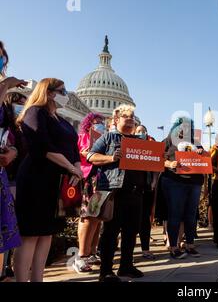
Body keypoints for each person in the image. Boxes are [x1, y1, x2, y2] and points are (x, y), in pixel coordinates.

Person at [14, 78, 83, 282]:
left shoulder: (61, 121)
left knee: (46, 234)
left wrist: (77, 167)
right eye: (62, 90)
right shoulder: (35, 111)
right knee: (31, 234)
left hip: (56, 181)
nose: (66, 94)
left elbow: (74, 148)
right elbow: (42, 146)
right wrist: (71, 167)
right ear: (49, 92)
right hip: (37, 178)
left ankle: (38, 279)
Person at [88, 105, 147, 282]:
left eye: (132, 116)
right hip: (114, 190)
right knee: (110, 232)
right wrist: (111, 158)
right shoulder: (108, 137)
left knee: (131, 231)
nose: (130, 119)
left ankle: (126, 266)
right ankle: (106, 270)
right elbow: (91, 156)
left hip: (136, 191)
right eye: (125, 116)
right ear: (117, 120)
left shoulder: (141, 141)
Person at [161, 117, 204, 259]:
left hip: (194, 182)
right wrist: (168, 164)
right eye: (182, 126)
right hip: (174, 181)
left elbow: (205, 158)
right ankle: (174, 247)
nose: (184, 129)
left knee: (191, 215)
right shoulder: (168, 141)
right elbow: (156, 157)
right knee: (175, 214)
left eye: (188, 126)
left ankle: (190, 244)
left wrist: (200, 153)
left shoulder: (195, 142)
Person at [73, 112, 106, 273]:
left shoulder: (105, 138)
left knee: (96, 218)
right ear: (88, 123)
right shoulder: (83, 136)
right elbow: (78, 154)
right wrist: (86, 153)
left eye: (101, 122)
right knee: (87, 217)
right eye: (96, 121)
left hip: (103, 178)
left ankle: (92, 251)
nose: (99, 124)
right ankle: (81, 256)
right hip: (90, 177)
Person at [0, 90, 27, 281]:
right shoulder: (6, 126)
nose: (22, 106)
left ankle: (6, 268)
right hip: (7, 179)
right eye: (18, 102)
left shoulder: (22, 128)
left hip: (18, 179)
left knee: (11, 225)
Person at [135, 124, 157, 260]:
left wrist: (154, 180)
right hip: (133, 188)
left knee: (145, 220)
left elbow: (156, 165)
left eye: (143, 131)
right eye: (138, 131)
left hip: (147, 187)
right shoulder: (130, 144)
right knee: (131, 221)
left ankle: (145, 249)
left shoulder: (151, 145)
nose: (141, 133)